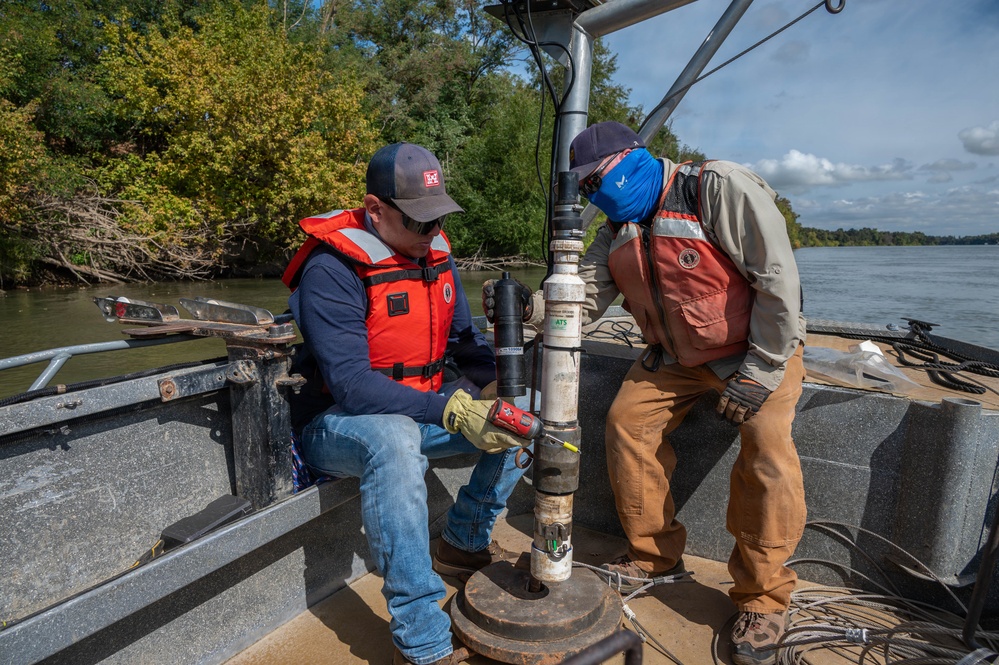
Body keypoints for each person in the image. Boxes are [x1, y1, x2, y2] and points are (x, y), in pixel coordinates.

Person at [484, 121, 806, 665]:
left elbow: (778, 280)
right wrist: (528, 309)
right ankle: (655, 556)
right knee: (626, 423)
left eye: (597, 181)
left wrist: (762, 371)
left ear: (634, 159)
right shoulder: (618, 228)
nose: (594, 196)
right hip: (676, 360)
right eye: (585, 190)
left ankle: (765, 597)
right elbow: (583, 300)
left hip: (757, 351)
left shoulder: (717, 188)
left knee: (768, 453)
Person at [283, 142, 531, 665]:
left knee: (521, 412)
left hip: (420, 406)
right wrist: (455, 411)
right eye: (419, 223)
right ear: (375, 210)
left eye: (437, 221)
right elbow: (351, 386)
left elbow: (467, 345)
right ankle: (423, 642)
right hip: (338, 424)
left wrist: (498, 392)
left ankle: (462, 544)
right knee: (393, 439)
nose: (431, 234)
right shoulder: (331, 270)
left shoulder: (436, 254)